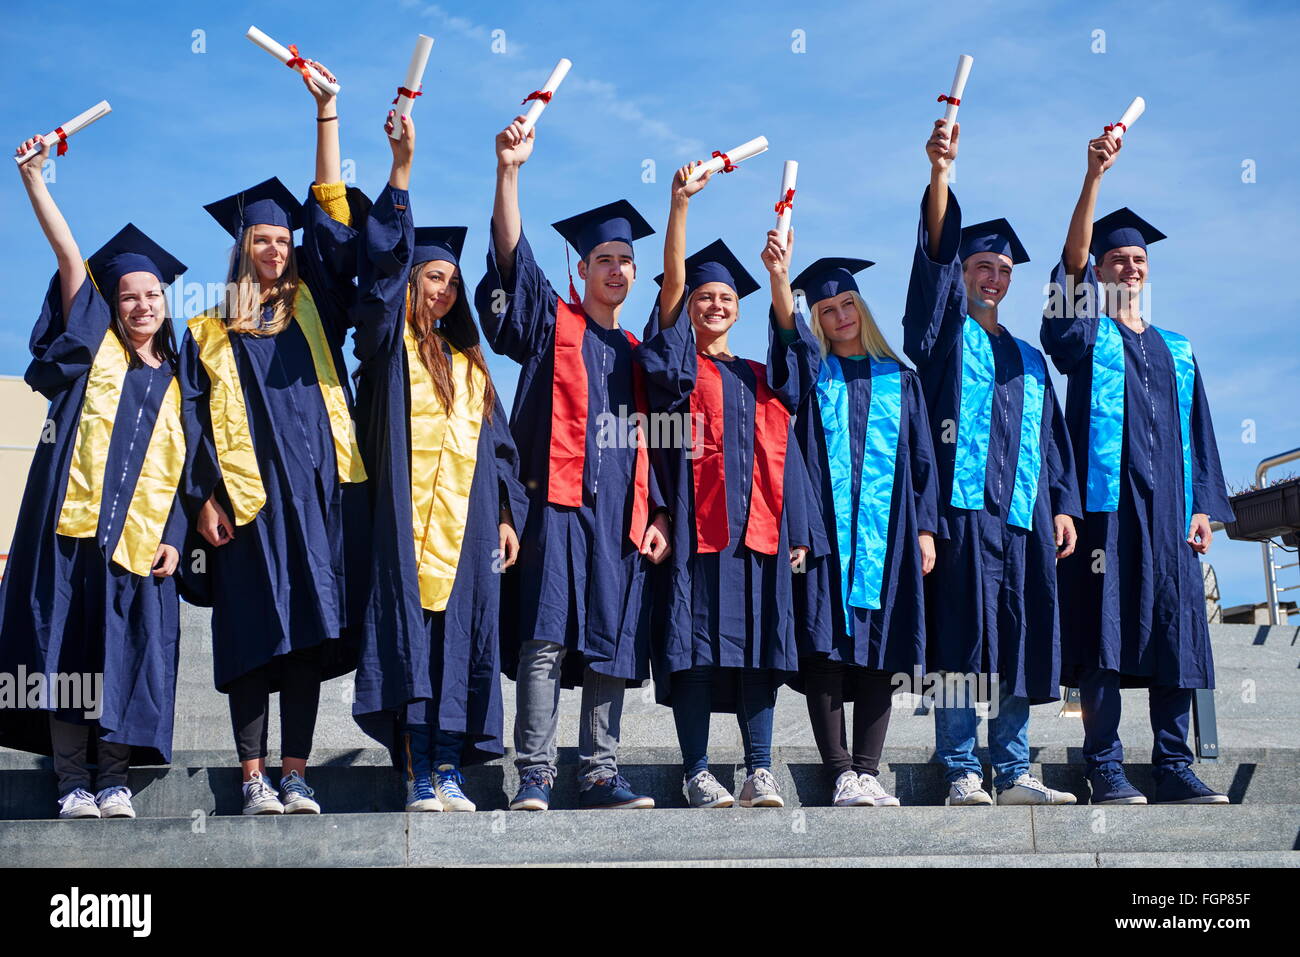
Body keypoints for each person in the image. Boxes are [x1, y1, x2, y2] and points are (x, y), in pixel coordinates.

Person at [179, 58, 371, 815]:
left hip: (319, 505)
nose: (276, 248)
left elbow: (332, 217)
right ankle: (252, 773)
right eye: (262, 239)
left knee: (308, 641)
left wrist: (326, 114)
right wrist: (198, 502)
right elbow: (188, 427)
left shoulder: (315, 310)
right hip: (249, 511)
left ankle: (296, 771)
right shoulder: (205, 331)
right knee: (256, 636)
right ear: (241, 248)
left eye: (281, 238)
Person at [473, 115, 671, 811]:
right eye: (603, 259)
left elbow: (666, 441)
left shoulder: (643, 354)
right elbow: (511, 263)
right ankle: (534, 774)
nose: (616, 269)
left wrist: (661, 515)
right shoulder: (551, 325)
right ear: (581, 268)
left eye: (625, 261)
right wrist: (509, 173)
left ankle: (598, 770)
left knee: (611, 649)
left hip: (620, 516)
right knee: (546, 638)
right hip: (553, 507)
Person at [1040, 127, 1235, 805]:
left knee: (1177, 635)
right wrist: (1091, 178)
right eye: (1116, 259)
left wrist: (1203, 506)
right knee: (1101, 636)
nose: (1129, 267)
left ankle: (1175, 763)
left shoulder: (1176, 348)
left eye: (1136, 260)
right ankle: (1104, 762)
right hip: (1106, 514)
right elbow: (1064, 276)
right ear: (1097, 271)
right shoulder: (1085, 336)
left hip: (1171, 519)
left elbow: (1201, 436)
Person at [0, 137, 190, 820]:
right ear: (111, 305)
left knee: (124, 656)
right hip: (70, 534)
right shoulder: (91, 351)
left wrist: (174, 532)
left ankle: (114, 778)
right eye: (129, 297)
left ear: (166, 303)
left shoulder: (177, 380)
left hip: (137, 548)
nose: (141, 305)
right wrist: (36, 182)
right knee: (68, 652)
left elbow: (188, 468)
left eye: (152, 296)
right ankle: (71, 779)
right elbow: (70, 258)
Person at [350, 112, 528, 813]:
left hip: (468, 535)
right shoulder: (390, 351)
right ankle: (417, 771)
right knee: (413, 648)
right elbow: (381, 281)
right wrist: (401, 169)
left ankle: (449, 769)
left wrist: (510, 514)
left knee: (462, 647)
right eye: (432, 277)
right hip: (405, 529)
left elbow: (502, 448)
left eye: (452, 282)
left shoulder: (472, 366)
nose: (444, 291)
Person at [904, 116, 1082, 806]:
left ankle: (1011, 768)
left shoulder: (1031, 360)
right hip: (961, 517)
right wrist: (941, 175)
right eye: (983, 265)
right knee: (959, 641)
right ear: (964, 274)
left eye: (1005, 270)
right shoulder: (945, 337)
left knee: (1019, 638)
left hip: (1024, 523)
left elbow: (1055, 440)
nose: (995, 276)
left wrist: (1064, 505)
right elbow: (932, 269)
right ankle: (958, 766)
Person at [634, 164, 817, 809]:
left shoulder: (764, 375)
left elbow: (794, 432)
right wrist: (678, 210)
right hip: (696, 531)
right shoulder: (678, 372)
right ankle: (697, 770)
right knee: (695, 652)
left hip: (760, 537)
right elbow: (665, 328)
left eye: (726, 300)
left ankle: (759, 768)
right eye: (705, 298)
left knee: (758, 655)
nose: (716, 305)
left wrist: (778, 278)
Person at [765, 228, 940, 808]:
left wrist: (924, 529)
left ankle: (868, 770)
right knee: (828, 650)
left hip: (888, 536)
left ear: (861, 309)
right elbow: (788, 351)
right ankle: (841, 771)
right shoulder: (813, 378)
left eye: (847, 305)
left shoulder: (902, 379)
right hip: (825, 534)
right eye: (827, 309)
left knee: (883, 647)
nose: (839, 316)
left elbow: (921, 460)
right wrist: (780, 280)